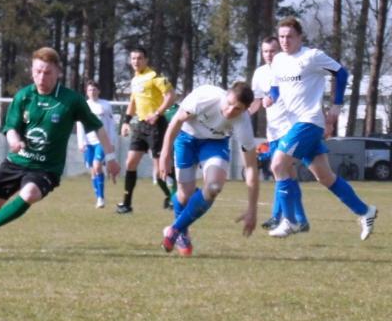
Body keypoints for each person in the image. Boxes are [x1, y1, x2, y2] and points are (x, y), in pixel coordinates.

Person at [0, 47, 121, 252]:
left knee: (30, 193)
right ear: (31, 71)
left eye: (47, 72)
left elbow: (97, 127)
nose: (41, 77)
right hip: (17, 160)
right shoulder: (24, 96)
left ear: (58, 72)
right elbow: (10, 128)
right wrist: (14, 140)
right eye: (38, 71)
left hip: (46, 168)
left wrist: (111, 156)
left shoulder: (71, 100)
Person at [264, 17, 377, 239]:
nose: (285, 41)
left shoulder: (311, 56)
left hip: (309, 121)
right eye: (282, 36)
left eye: (289, 36)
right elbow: (277, 88)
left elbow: (341, 73)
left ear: (300, 37)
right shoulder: (277, 61)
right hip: (292, 124)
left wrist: (336, 106)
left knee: (278, 165)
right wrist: (271, 97)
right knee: (324, 176)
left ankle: (290, 221)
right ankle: (365, 211)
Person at [158, 82, 260, 256]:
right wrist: (165, 153)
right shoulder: (206, 97)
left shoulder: (243, 124)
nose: (229, 111)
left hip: (214, 143)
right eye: (229, 104)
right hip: (186, 137)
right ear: (226, 95)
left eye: (237, 109)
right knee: (184, 194)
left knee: (214, 187)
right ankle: (181, 233)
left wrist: (252, 210)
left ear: (245, 110)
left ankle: (174, 230)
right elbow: (176, 121)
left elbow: (251, 168)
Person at [249, 36, 307, 231]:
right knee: (286, 174)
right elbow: (256, 101)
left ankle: (281, 217)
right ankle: (299, 219)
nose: (268, 55)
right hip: (273, 131)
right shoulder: (259, 73)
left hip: (290, 129)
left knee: (281, 170)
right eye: (265, 51)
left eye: (272, 51)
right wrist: (244, 113)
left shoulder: (288, 69)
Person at [117, 47, 176, 214]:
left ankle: (174, 196)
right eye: (133, 58)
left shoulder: (154, 76)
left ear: (146, 60)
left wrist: (157, 113)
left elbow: (171, 95)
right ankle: (126, 204)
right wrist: (126, 122)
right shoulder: (135, 79)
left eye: (140, 58)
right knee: (130, 163)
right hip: (140, 126)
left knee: (160, 169)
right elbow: (133, 102)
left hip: (156, 126)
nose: (136, 61)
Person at [76, 80, 117, 208]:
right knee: (93, 171)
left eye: (94, 89)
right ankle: (98, 196)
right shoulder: (83, 105)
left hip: (101, 141)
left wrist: (111, 141)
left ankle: (101, 198)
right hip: (88, 142)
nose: (92, 92)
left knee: (97, 165)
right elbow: (80, 125)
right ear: (86, 92)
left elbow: (111, 124)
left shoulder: (105, 105)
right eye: (89, 90)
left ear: (98, 91)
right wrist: (81, 142)